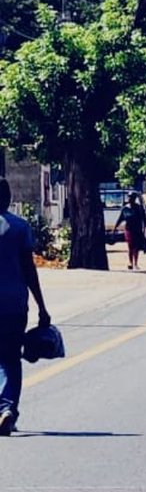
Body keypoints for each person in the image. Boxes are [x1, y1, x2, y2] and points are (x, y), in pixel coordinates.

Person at [0, 178, 50, 436]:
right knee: (10, 358)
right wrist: (42, 307)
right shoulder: (20, 227)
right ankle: (7, 408)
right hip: (14, 305)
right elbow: (29, 270)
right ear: (8, 199)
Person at [112, 191, 146, 271]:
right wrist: (115, 228)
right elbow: (120, 218)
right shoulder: (125, 208)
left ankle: (136, 263)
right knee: (130, 246)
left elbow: (144, 218)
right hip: (128, 229)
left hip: (137, 229)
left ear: (134, 198)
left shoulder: (139, 208)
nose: (130, 199)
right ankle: (130, 263)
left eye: (132, 197)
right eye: (129, 197)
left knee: (136, 247)